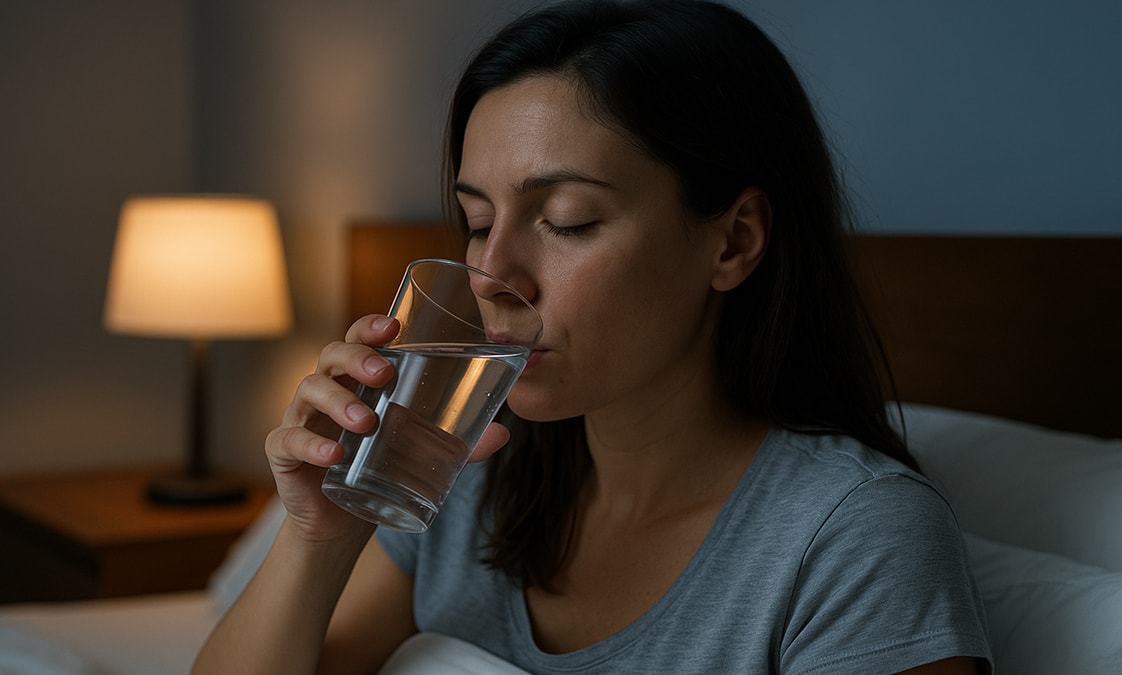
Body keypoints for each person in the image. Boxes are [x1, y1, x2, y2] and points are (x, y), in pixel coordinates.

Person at [194, 1, 992, 673]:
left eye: (568, 221)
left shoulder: (853, 537)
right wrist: (318, 534)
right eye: (477, 221)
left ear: (733, 241)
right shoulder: (469, 476)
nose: (492, 274)